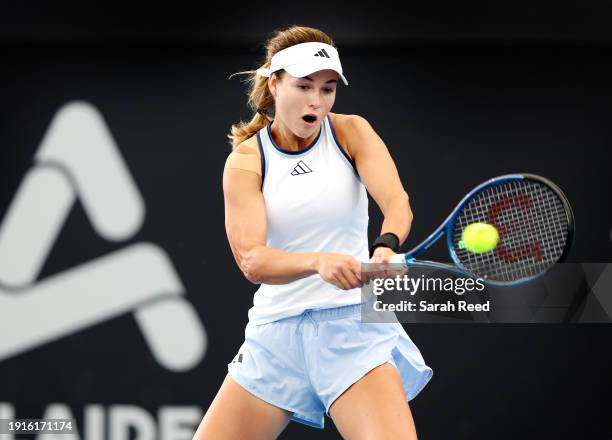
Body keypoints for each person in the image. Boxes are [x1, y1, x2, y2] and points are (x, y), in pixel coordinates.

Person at [193, 25, 433, 440]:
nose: (316, 101)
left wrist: (386, 244)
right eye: (304, 86)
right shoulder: (246, 161)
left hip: (353, 331)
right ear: (275, 83)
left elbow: (397, 202)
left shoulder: (351, 132)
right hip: (276, 338)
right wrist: (318, 262)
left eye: (327, 89)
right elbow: (252, 259)